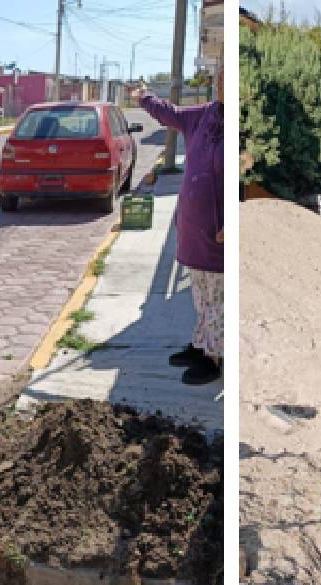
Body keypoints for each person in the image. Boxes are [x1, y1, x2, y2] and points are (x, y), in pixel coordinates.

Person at [131, 68, 224, 386]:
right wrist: (143, 97)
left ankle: (215, 357)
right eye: (221, 78)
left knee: (219, 299)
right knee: (201, 295)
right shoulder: (203, 116)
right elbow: (168, 113)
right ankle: (202, 343)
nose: (223, 84)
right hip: (193, 226)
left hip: (219, 233)